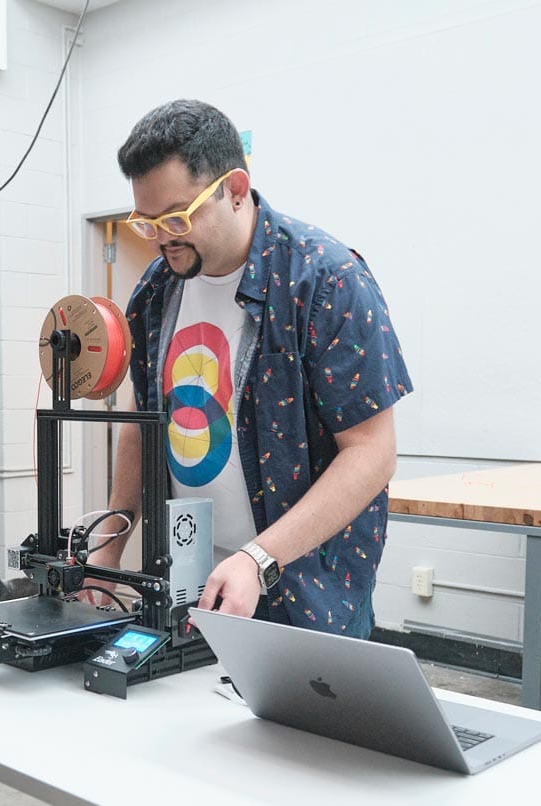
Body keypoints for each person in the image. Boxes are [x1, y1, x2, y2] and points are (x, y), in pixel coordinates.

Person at [83, 99, 411, 639]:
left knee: (299, 726)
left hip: (303, 595)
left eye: (177, 218)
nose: (163, 238)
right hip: (190, 587)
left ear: (235, 189)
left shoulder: (325, 281)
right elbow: (141, 423)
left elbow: (373, 453)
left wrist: (258, 559)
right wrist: (113, 538)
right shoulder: (157, 290)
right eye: (147, 223)